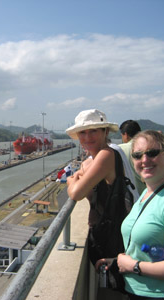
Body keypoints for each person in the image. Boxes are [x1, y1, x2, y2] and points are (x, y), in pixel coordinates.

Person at [97, 130, 164, 299]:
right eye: (137, 155)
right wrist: (118, 261)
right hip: (137, 292)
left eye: (152, 153)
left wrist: (133, 266)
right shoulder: (146, 194)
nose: (144, 160)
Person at [66, 109, 130, 299]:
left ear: (105, 132)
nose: (87, 137)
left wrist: (71, 181)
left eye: (93, 131)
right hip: (108, 233)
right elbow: (85, 175)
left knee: (115, 290)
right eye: (83, 132)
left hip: (115, 236)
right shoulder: (93, 159)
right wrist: (78, 176)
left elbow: (76, 193)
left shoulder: (106, 155)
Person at [119, 120, 145, 195]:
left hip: (132, 195)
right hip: (150, 193)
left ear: (126, 135)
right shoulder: (149, 147)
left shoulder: (120, 149)